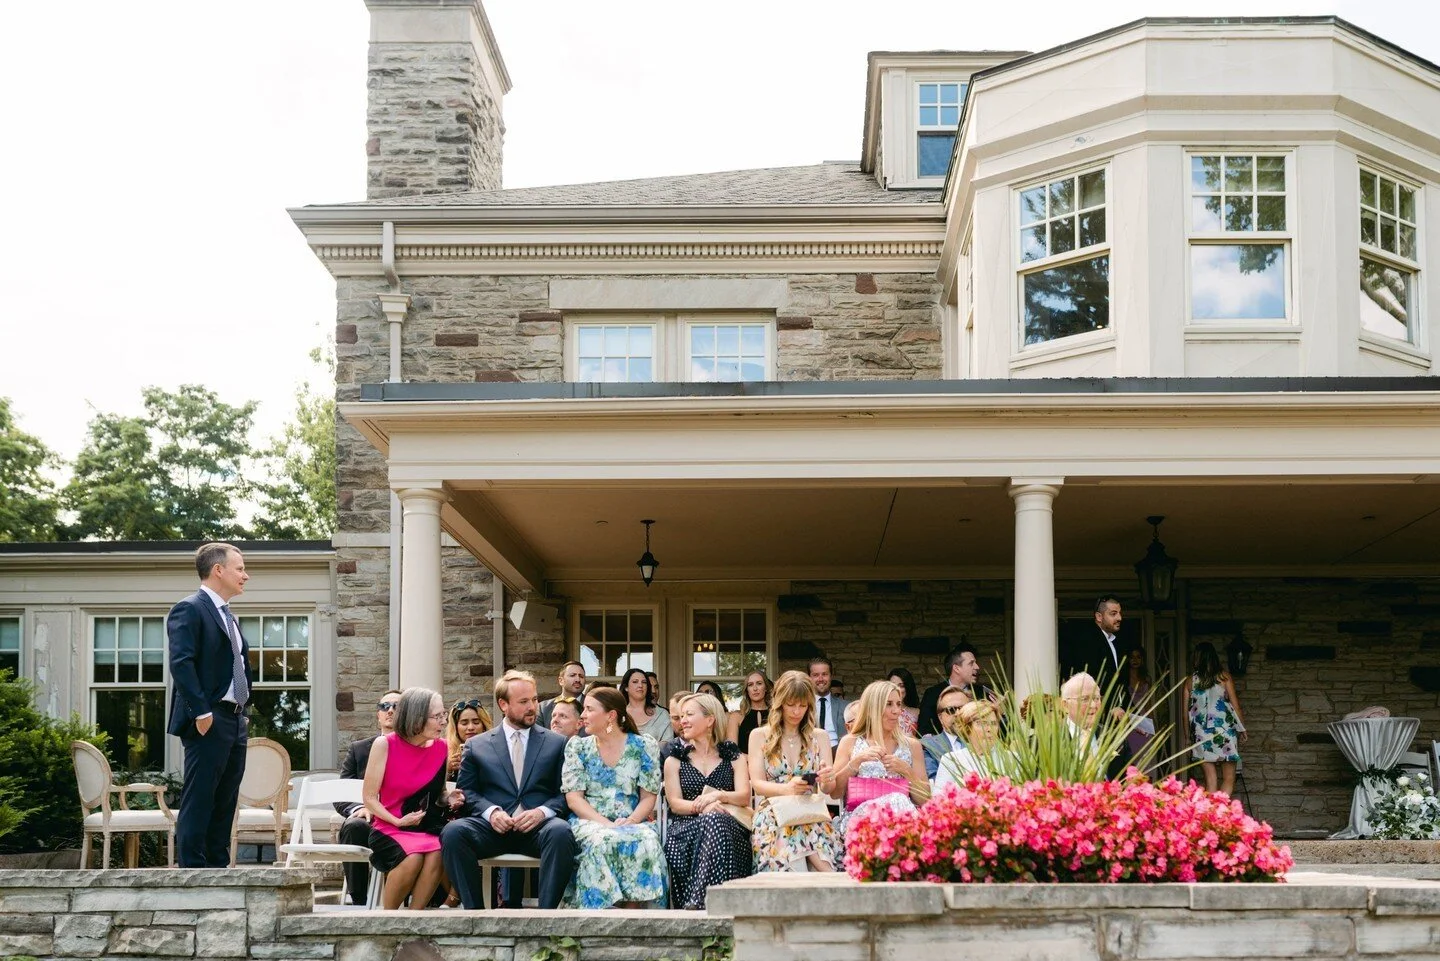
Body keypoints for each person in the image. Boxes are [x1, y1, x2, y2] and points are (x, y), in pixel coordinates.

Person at [441, 670, 576, 910]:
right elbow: (467, 792)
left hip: (538, 829)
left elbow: (565, 794)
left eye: (534, 700)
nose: (532, 707)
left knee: (561, 832)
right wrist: (491, 812)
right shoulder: (477, 745)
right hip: (493, 830)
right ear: (503, 704)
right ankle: (474, 916)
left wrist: (542, 813)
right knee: (453, 833)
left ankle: (547, 919)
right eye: (523, 702)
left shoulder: (557, 743)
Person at [166, 542, 254, 868]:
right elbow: (182, 663)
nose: (246, 575)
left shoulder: (228, 616)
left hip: (234, 718)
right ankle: (192, 870)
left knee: (226, 797)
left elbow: (237, 665)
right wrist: (202, 712)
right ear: (219, 570)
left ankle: (218, 868)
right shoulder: (189, 609)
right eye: (240, 568)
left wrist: (241, 714)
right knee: (201, 795)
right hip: (208, 717)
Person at [562, 687, 667, 908]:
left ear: (610, 715)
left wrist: (630, 822)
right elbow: (574, 799)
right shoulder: (578, 747)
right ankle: (601, 915)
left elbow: (649, 797)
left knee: (646, 839)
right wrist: (607, 824)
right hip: (589, 821)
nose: (582, 715)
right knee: (602, 840)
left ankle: (634, 914)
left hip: (632, 819)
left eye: (589, 709)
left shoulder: (643, 745)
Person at [362, 686, 456, 910]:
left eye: (444, 714)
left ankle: (415, 918)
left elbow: (439, 792)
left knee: (437, 851)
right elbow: (369, 798)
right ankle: (390, 919)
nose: (444, 722)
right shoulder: (385, 744)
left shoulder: (442, 748)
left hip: (423, 827)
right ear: (416, 718)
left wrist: (449, 797)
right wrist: (397, 821)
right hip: (388, 826)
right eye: (437, 716)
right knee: (412, 857)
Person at [663, 693, 752, 909]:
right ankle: (713, 902)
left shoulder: (734, 758)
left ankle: (698, 901)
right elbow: (675, 803)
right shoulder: (674, 760)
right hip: (686, 827)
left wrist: (718, 796)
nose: (682, 720)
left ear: (710, 719)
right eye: (681, 715)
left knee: (716, 822)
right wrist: (703, 807)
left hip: (729, 826)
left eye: (689, 714)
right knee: (711, 820)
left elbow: (743, 796)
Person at [748, 670, 842, 873]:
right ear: (779, 702)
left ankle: (825, 874)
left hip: (810, 810)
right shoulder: (759, 735)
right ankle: (828, 875)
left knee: (809, 832)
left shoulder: (820, 737)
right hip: (773, 811)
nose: (796, 711)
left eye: (802, 705)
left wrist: (827, 778)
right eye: (791, 704)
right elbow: (757, 784)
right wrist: (788, 789)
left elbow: (827, 788)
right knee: (790, 833)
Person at [832, 680, 927, 837]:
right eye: (889, 704)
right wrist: (856, 763)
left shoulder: (912, 745)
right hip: (862, 825)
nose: (896, 711)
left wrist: (906, 771)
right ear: (872, 708)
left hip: (901, 823)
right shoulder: (850, 742)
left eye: (898, 704)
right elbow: (835, 793)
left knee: (898, 800)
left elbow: (924, 800)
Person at [336, 689, 402, 904]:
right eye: (385, 706)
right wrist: (359, 808)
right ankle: (359, 901)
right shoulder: (359, 749)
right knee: (353, 826)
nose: (390, 711)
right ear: (378, 714)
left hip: (401, 822)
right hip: (369, 821)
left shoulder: (417, 748)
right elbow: (341, 793)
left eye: (396, 706)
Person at [1189, 642, 1247, 795]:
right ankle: (1221, 814)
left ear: (1196, 658)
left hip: (1201, 733)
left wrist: (1187, 737)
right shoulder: (1224, 677)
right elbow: (1235, 706)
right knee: (1229, 778)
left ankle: (1210, 816)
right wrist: (1242, 729)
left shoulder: (1189, 682)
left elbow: (1184, 713)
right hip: (1225, 730)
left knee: (1210, 779)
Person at [934, 701, 1005, 791]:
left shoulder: (1011, 759)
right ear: (967, 728)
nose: (989, 729)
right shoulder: (951, 760)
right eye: (982, 723)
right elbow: (939, 799)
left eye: (994, 723)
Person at [918, 643, 987, 736]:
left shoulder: (982, 693)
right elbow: (924, 730)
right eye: (971, 663)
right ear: (956, 668)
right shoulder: (932, 694)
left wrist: (1002, 712)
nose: (977, 667)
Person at [919, 685, 972, 778]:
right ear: (940, 717)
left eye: (963, 708)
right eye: (951, 710)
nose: (958, 714)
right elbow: (934, 781)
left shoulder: (985, 741)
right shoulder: (928, 746)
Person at [1122, 647, 1156, 764]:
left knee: (1145, 757)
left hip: (1144, 720)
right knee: (1132, 757)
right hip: (1129, 719)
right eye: (1132, 657)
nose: (1135, 660)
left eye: (1138, 657)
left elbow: (1149, 702)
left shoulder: (1146, 679)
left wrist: (1152, 724)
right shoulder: (1123, 679)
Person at [621, 667, 673, 742]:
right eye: (635, 682)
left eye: (644, 682)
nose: (640, 685)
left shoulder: (662, 714)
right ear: (626, 687)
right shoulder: (619, 713)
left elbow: (668, 745)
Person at [446, 697, 494, 776]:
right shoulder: (445, 753)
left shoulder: (496, 750)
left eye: (476, 722)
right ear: (455, 728)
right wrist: (448, 770)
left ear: (484, 725)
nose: (471, 727)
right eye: (464, 723)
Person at [724, 671, 771, 750]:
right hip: (743, 762)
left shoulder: (776, 714)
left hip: (772, 762)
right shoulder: (736, 717)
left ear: (766, 688)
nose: (755, 688)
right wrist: (754, 758)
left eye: (759, 683)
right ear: (747, 690)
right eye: (750, 685)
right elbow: (732, 751)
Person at [808, 657, 848, 748]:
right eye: (815, 675)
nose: (820, 679)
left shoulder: (846, 706)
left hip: (838, 754)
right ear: (809, 678)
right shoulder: (802, 706)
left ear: (831, 676)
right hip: (810, 753)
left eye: (824, 674)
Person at [538, 661, 586, 729]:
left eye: (581, 676)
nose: (577, 679)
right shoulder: (543, 708)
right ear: (561, 680)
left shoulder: (592, 706)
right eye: (572, 675)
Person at [887, 667, 921, 737]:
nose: (897, 689)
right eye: (893, 685)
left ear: (908, 687)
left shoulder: (917, 713)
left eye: (901, 685)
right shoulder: (881, 711)